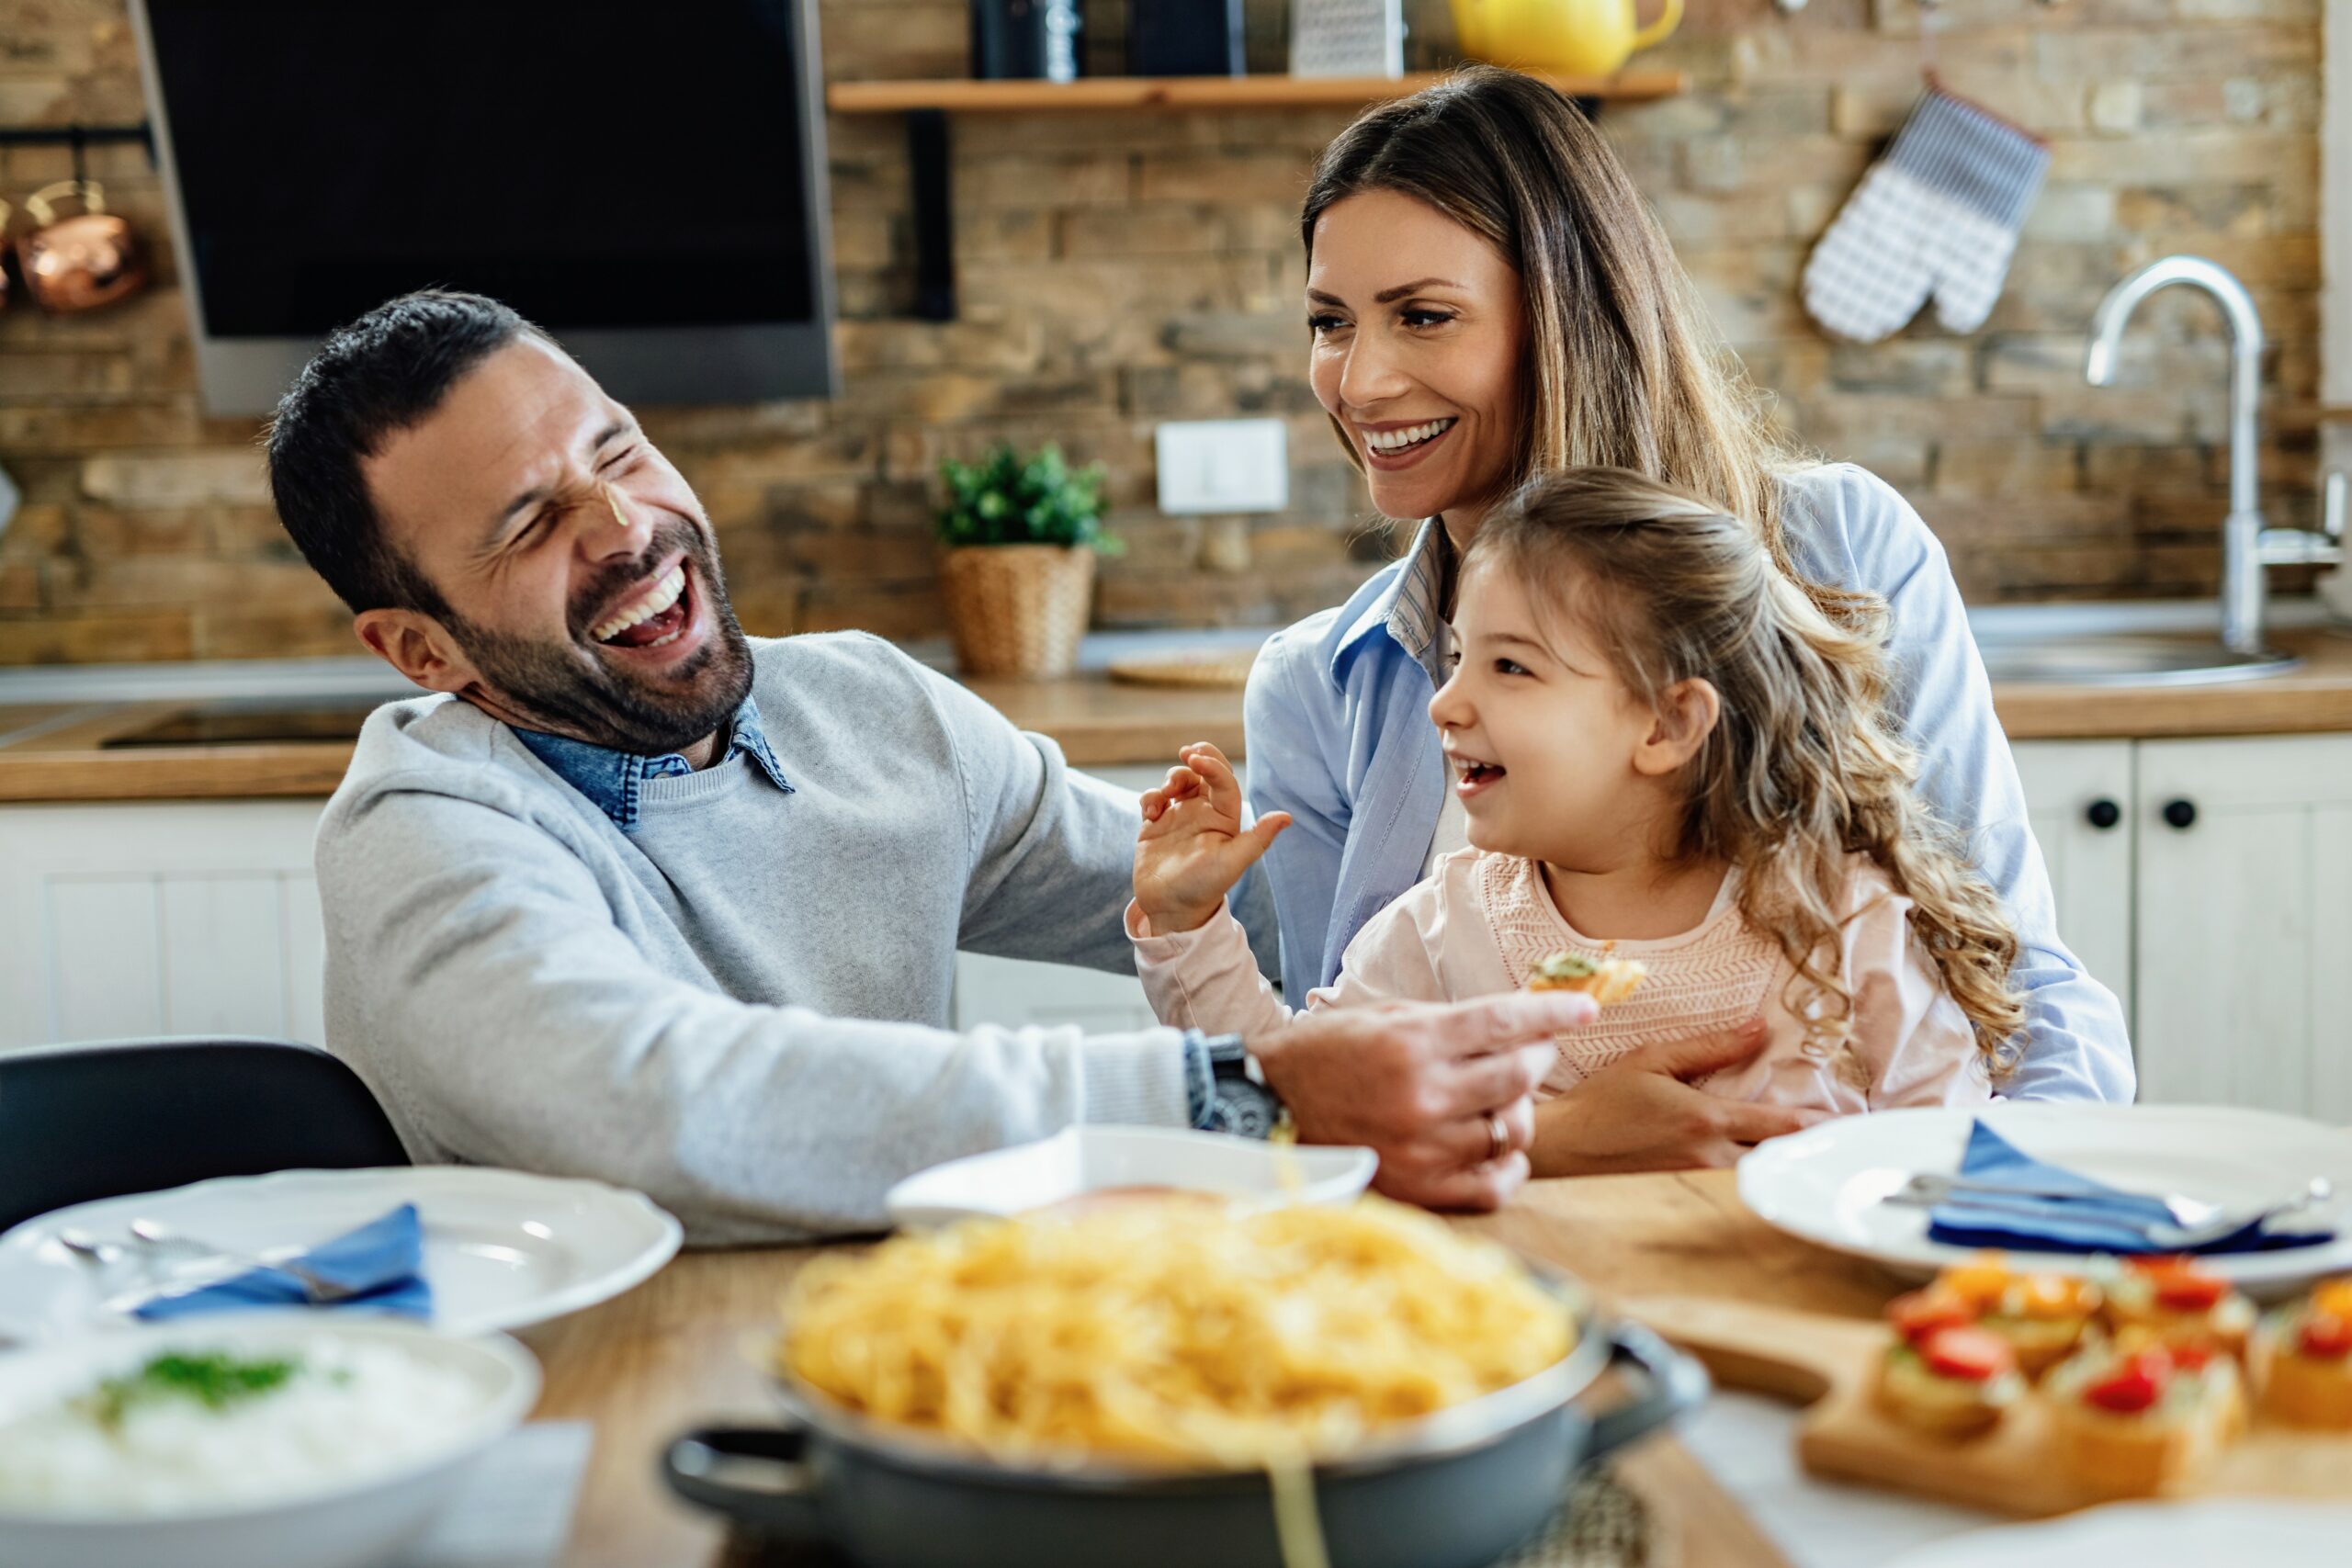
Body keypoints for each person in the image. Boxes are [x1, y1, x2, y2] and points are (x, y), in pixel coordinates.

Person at [268, 289, 1598, 1243]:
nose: (625, 525)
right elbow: (654, 1102)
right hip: (590, 1396)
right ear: (420, 648)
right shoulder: (424, 835)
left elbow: (1272, 911)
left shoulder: (870, 711)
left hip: (896, 1343)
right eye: (527, 522)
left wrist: (1581, 927)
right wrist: (1234, 1092)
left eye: (616, 449)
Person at [1239, 67, 2131, 1173]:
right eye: (1330, 322)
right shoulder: (1316, 688)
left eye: (1424, 317)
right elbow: (1327, 1097)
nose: (1359, 380)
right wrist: (1556, 1138)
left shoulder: (1841, 552)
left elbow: (2016, 986)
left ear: (1563, 315)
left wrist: (2006, 1229)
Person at [1131, 468, 2021, 1163]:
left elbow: (1943, 1172)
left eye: (1509, 667)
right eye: (1455, 658)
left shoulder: (1847, 924)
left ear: (1668, 724)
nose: (1443, 702)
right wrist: (1186, 925)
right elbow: (1292, 1109)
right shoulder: (1447, 927)